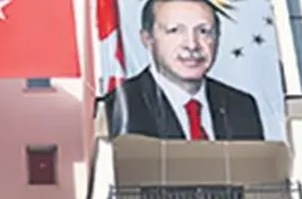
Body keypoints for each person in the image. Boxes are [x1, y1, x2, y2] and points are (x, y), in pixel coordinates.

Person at [104, 0, 265, 141]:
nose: (192, 45)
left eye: (203, 31)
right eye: (175, 30)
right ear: (147, 39)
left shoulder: (241, 106)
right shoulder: (119, 108)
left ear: (217, 38)